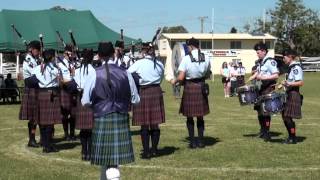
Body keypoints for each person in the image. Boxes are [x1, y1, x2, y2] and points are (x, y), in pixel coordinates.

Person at [82, 42, 140, 180]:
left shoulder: (94, 73)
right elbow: (136, 99)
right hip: (121, 117)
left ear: (99, 55)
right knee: (108, 161)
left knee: (110, 164)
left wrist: (97, 106)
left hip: (101, 116)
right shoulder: (126, 72)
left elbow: (85, 101)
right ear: (114, 53)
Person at [171, 37, 211, 149]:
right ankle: (201, 141)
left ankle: (193, 142)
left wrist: (174, 80)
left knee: (189, 117)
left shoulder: (186, 58)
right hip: (201, 86)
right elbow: (208, 73)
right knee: (200, 116)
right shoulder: (206, 57)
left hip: (190, 87)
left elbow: (181, 76)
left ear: (191, 46)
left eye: (188, 46)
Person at [128, 42, 165, 159]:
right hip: (156, 91)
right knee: (155, 124)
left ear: (144, 51)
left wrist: (136, 82)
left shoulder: (139, 63)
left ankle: (146, 151)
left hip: (144, 92)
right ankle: (154, 150)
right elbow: (161, 78)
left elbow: (127, 73)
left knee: (144, 125)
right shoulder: (160, 64)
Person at [248, 42, 279, 141]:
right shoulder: (261, 62)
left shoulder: (270, 61)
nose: (257, 54)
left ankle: (267, 132)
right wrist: (249, 79)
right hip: (260, 89)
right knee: (259, 111)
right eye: (256, 52)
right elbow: (257, 73)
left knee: (266, 112)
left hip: (268, 88)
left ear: (264, 51)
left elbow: (276, 74)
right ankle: (262, 130)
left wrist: (264, 77)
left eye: (258, 52)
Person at [34, 49, 61, 153]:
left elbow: (33, 80)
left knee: (43, 122)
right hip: (51, 94)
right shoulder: (54, 69)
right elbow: (58, 81)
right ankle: (48, 145)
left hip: (41, 94)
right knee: (49, 122)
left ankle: (45, 145)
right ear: (52, 57)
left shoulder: (37, 68)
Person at [73, 48, 95, 160]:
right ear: (91, 57)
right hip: (90, 98)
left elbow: (74, 83)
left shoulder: (77, 70)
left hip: (80, 97)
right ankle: (89, 152)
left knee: (83, 128)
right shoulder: (93, 70)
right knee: (90, 128)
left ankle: (84, 152)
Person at [19, 40, 41, 148]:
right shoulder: (29, 59)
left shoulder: (34, 59)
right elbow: (35, 73)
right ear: (32, 49)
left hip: (35, 88)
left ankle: (32, 139)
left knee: (35, 116)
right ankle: (31, 139)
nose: (39, 52)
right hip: (31, 87)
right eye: (37, 50)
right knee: (33, 116)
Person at [281, 49, 304, 144]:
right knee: (285, 116)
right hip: (289, 93)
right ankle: (291, 136)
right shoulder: (291, 67)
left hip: (294, 94)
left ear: (290, 57)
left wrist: (288, 83)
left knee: (287, 116)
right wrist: (284, 84)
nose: (283, 59)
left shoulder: (295, 67)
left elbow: (300, 82)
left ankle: (292, 138)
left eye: (284, 57)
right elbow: (291, 81)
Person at [57, 44, 77, 141]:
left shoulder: (73, 64)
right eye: (71, 52)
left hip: (73, 89)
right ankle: (66, 134)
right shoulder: (60, 64)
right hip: (64, 90)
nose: (72, 54)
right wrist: (63, 82)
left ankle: (72, 134)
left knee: (73, 113)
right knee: (65, 113)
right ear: (66, 53)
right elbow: (59, 78)